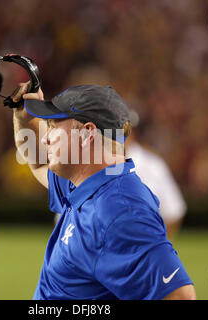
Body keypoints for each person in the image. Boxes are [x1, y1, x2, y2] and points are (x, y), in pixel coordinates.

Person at [12, 82, 196, 300]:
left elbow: (180, 297)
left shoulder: (119, 211)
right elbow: (40, 163)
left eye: (54, 125)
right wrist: (24, 119)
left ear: (88, 133)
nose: (45, 137)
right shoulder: (88, 182)